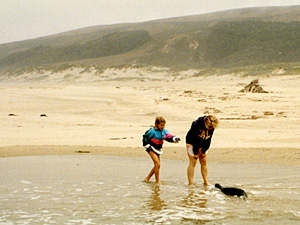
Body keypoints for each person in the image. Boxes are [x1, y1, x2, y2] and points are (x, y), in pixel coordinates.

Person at [143, 117, 180, 184]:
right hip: (151, 148)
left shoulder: (164, 131)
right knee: (158, 165)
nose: (163, 127)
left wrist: (175, 139)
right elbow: (145, 137)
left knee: (157, 165)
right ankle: (157, 181)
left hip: (158, 149)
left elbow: (169, 137)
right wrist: (147, 146)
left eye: (164, 125)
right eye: (161, 125)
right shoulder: (152, 131)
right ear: (156, 124)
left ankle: (147, 178)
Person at [186, 115, 219, 186]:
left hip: (203, 142)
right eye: (209, 127)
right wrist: (195, 153)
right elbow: (194, 139)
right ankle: (190, 183)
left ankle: (206, 182)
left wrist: (204, 150)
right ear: (205, 123)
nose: (210, 129)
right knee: (193, 161)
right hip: (192, 142)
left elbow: (209, 139)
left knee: (203, 161)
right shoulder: (196, 125)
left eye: (212, 128)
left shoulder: (212, 126)